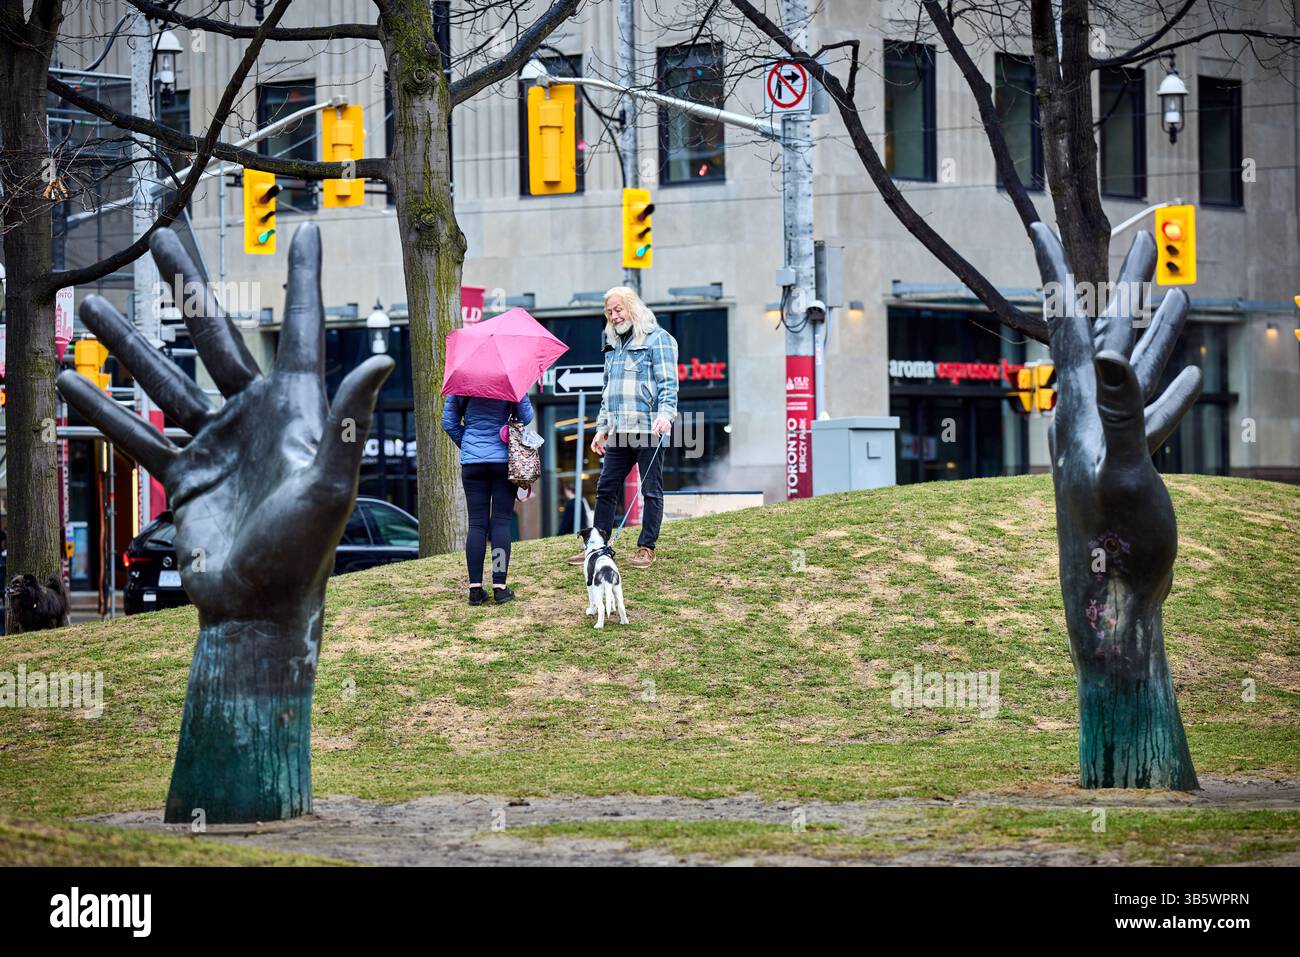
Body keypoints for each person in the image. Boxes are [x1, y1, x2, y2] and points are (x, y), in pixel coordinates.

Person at [567, 286, 678, 569]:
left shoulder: (658, 339)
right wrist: (601, 427)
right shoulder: (612, 344)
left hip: (649, 429)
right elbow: (608, 390)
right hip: (619, 431)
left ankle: (646, 547)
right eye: (609, 312)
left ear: (632, 308)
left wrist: (666, 415)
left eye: (618, 309)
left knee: (650, 490)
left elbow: (669, 385)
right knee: (605, 487)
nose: (614, 316)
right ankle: (597, 547)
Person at [443, 391, 535, 605]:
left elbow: (449, 423)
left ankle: (475, 589)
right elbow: (526, 416)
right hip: (502, 460)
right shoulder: (509, 378)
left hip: (472, 465)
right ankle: (500, 587)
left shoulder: (461, 382)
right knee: (501, 523)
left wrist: (468, 444)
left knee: (477, 524)